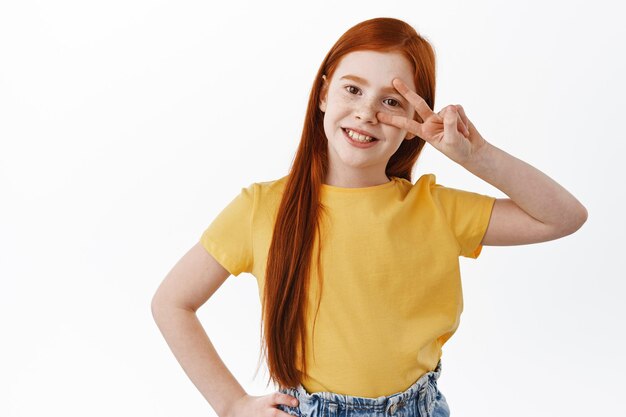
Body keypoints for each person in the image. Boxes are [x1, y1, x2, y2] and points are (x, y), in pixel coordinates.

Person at [151, 17, 588, 417]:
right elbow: (172, 303)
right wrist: (230, 403)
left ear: (416, 118)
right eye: (353, 89)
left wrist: (478, 157)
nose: (366, 112)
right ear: (324, 93)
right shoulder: (262, 208)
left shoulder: (435, 208)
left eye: (392, 101)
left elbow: (563, 217)